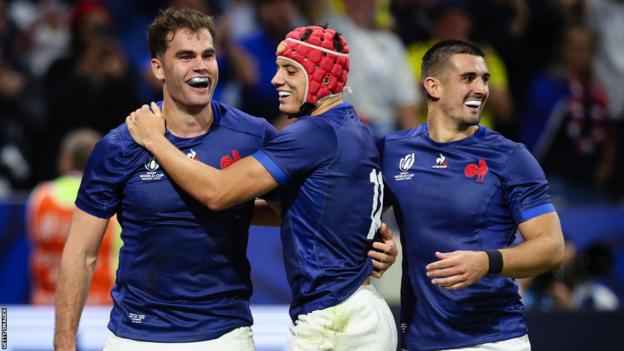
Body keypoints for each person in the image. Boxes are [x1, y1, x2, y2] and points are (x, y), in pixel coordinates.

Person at [54, 8, 396, 351]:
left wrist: (363, 247)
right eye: (186, 57)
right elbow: (81, 253)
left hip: (225, 336)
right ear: (158, 67)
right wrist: (64, 341)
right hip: (134, 335)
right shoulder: (118, 146)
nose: (200, 65)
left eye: (208, 55)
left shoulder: (254, 135)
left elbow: (290, 209)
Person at [377, 39, 565, 350]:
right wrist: (374, 245)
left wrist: (486, 262)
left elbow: (552, 247)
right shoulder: (392, 150)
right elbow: (358, 215)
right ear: (433, 87)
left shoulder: (510, 157)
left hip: (493, 338)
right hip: (419, 339)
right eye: (468, 78)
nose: (481, 89)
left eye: (484, 79)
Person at [27, 128, 119, 305]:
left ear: (65, 160)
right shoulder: (114, 201)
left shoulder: (40, 197)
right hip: (99, 306)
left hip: (47, 304)